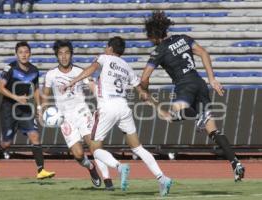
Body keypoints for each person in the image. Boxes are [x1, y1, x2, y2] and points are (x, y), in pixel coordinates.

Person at [140, 11, 245, 182]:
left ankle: (198, 116)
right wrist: (212, 79)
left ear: (154, 35)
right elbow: (204, 52)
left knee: (170, 116)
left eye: (149, 36)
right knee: (213, 131)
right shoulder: (183, 38)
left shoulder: (159, 51)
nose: (148, 39)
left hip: (185, 86)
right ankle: (236, 163)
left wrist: (145, 92)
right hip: (200, 84)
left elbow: (144, 77)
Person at [66, 36, 172, 196]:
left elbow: (91, 69)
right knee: (137, 147)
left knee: (95, 148)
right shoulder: (127, 67)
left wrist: (73, 81)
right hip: (123, 107)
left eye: (106, 47)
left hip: (107, 106)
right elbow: (142, 92)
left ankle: (119, 167)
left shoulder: (104, 58)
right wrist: (158, 107)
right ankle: (162, 177)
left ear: (109, 48)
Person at [41, 40, 114, 190]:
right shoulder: (51, 75)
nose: (64, 56)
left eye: (67, 53)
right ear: (56, 56)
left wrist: (102, 102)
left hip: (82, 112)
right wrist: (41, 111)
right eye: (60, 53)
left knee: (94, 146)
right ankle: (91, 167)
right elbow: (45, 95)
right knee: (79, 155)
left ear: (71, 54)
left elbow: (93, 87)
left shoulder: (79, 72)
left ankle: (108, 180)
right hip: (65, 119)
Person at [0, 41, 55, 179]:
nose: (24, 55)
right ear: (16, 54)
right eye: (21, 52)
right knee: (6, 143)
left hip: (24, 110)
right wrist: (16, 97)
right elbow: (0, 87)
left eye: (26, 52)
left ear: (30, 53)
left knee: (35, 136)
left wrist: (38, 107)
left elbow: (36, 89)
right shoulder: (10, 68)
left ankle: (41, 170)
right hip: (8, 109)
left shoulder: (34, 70)